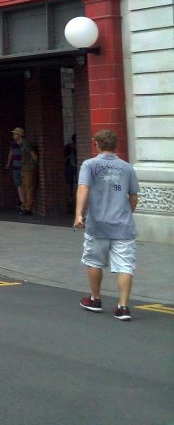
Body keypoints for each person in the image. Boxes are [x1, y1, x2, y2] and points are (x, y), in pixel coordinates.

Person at [75, 130, 139, 321]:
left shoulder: (89, 165)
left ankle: (95, 299)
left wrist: (79, 214)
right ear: (115, 145)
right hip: (123, 225)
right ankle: (123, 307)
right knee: (125, 266)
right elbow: (133, 197)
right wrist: (126, 212)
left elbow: (83, 188)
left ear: (97, 144)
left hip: (98, 224)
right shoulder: (127, 168)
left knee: (94, 261)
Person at [7, 127, 39, 215]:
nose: (13, 135)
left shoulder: (25, 143)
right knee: (24, 187)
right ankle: (24, 206)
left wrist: (34, 165)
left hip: (28, 168)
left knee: (28, 188)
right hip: (23, 169)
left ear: (19, 135)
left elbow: (33, 155)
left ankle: (27, 207)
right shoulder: (18, 143)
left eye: (15, 134)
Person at [64, 133, 78, 213]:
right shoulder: (68, 147)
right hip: (70, 167)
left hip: (71, 167)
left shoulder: (68, 147)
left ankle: (73, 199)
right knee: (70, 184)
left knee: (74, 184)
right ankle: (70, 199)